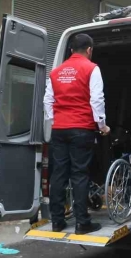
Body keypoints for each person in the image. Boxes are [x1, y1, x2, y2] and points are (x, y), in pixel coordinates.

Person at [44, 33, 110, 235]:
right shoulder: (92, 69)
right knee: (79, 174)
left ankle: (57, 221)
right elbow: (96, 100)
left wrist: (55, 121)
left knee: (58, 174)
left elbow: (47, 101)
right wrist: (102, 125)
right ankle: (82, 222)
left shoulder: (56, 72)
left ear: (71, 50)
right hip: (81, 128)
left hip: (59, 129)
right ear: (89, 50)